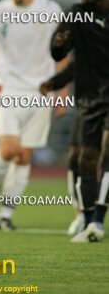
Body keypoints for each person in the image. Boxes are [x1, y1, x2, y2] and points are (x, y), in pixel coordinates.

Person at [0, 0, 68, 231]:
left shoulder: (51, 10)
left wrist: (62, 90)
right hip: (6, 87)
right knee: (8, 149)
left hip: (42, 91)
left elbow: (61, 55)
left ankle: (6, 213)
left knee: (25, 157)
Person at [50, 0, 109, 243]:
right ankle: (86, 221)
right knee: (84, 158)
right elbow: (58, 49)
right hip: (88, 99)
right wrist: (59, 42)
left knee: (106, 155)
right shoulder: (76, 13)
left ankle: (98, 221)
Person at [40, 60, 86, 236]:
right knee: (77, 157)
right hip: (89, 105)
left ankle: (95, 217)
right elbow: (67, 62)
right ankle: (81, 215)